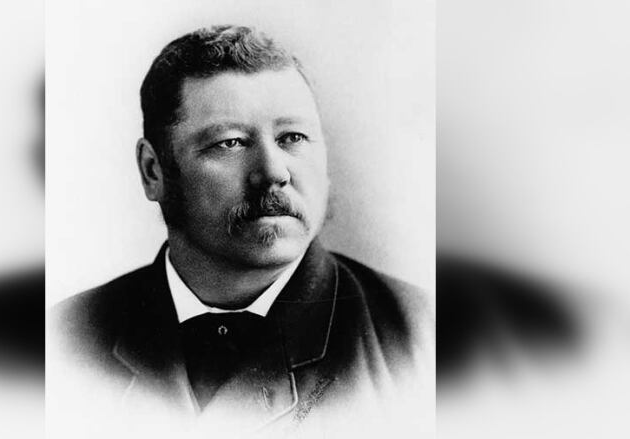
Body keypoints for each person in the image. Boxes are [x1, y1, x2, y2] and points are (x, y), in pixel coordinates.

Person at [51, 25, 433, 436]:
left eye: (293, 137)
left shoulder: (424, 337)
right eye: (230, 143)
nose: (272, 172)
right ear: (153, 171)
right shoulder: (61, 342)